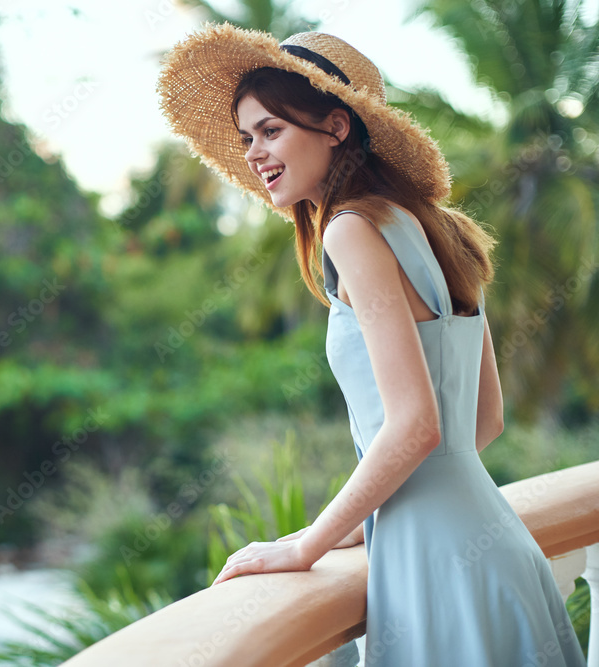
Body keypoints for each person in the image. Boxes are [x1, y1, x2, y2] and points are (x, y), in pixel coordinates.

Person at [157, 25, 586, 666]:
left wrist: (308, 544)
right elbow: (482, 420)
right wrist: (365, 524)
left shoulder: (350, 231)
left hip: (435, 562)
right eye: (247, 137)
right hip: (493, 542)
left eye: (271, 130)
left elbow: (415, 426)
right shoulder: (439, 229)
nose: (253, 153)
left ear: (335, 127)